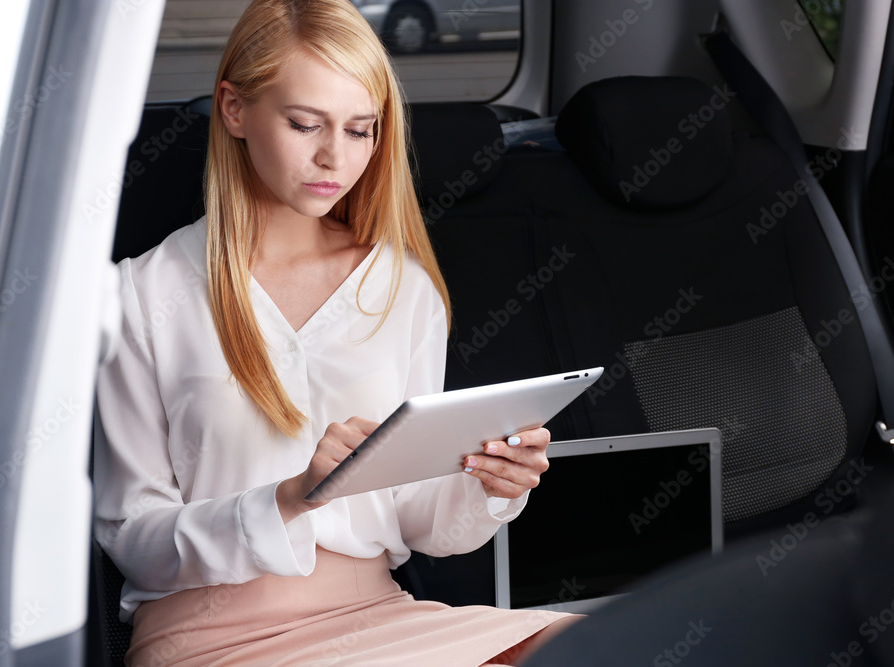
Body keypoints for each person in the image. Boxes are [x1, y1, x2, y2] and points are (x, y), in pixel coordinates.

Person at [93, 1, 580, 664]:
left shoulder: (401, 286)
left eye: (360, 130)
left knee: (615, 640)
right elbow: (133, 535)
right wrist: (290, 497)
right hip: (210, 636)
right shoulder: (142, 293)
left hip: (377, 618)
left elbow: (417, 519)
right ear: (234, 110)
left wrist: (491, 486)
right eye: (304, 124)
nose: (334, 156)